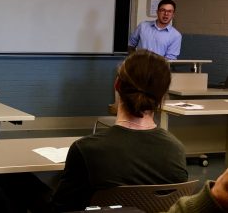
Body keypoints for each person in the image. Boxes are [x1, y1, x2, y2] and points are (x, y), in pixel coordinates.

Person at [52, 50, 188, 212]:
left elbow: (63, 208)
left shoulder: (86, 149)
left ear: (117, 85)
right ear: (162, 95)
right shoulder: (176, 150)